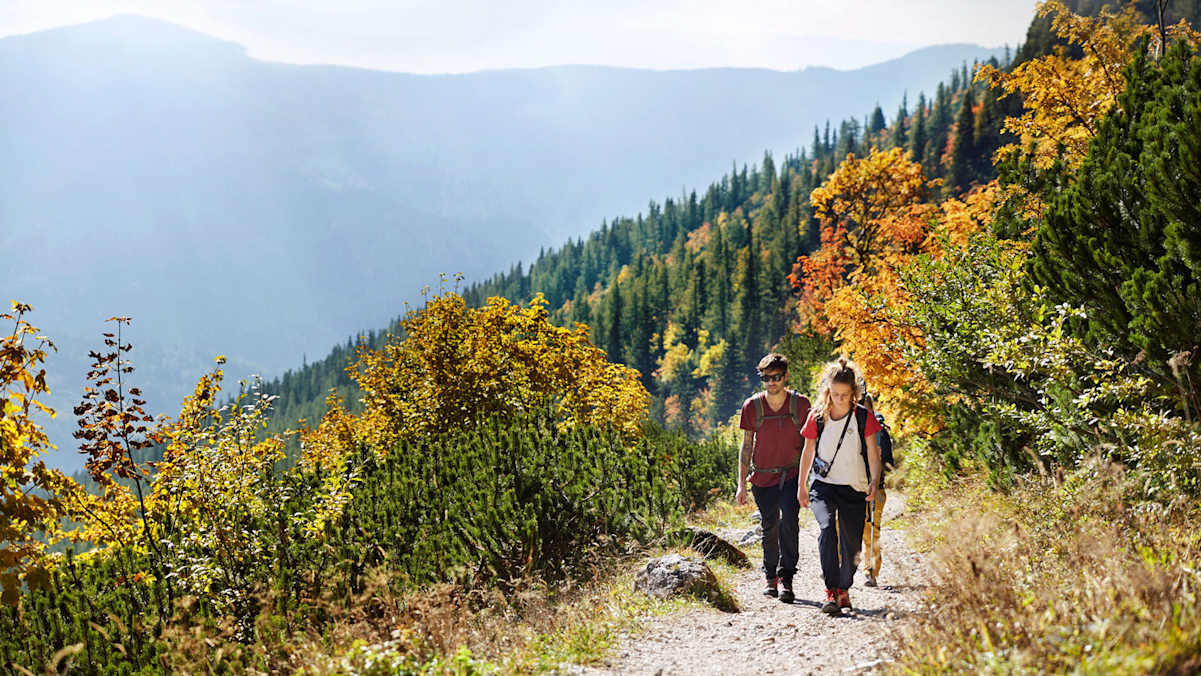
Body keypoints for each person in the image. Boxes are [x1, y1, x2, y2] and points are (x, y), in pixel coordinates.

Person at [797, 357, 882, 615]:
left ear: (853, 393)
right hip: (823, 485)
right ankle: (832, 591)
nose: (840, 399)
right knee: (826, 529)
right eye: (835, 394)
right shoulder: (818, 416)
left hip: (853, 487)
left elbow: (872, 451)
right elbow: (807, 451)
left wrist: (875, 482)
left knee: (852, 543)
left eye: (845, 395)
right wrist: (802, 485)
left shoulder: (862, 416)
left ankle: (845, 587)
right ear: (828, 391)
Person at [736, 353, 811, 604]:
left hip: (791, 474)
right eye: (766, 378)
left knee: (789, 522)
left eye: (776, 377)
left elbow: (811, 442)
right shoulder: (752, 406)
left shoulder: (800, 405)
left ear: (785, 376)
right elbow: (746, 446)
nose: (771, 383)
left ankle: (786, 578)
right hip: (762, 478)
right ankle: (770, 577)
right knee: (769, 526)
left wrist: (808, 479)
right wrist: (740, 485)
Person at [860, 393, 894, 588]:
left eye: (866, 409)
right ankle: (837, 567)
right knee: (842, 529)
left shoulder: (879, 432)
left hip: (876, 487)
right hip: (853, 486)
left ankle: (871, 571)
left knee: (872, 531)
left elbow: (888, 462)